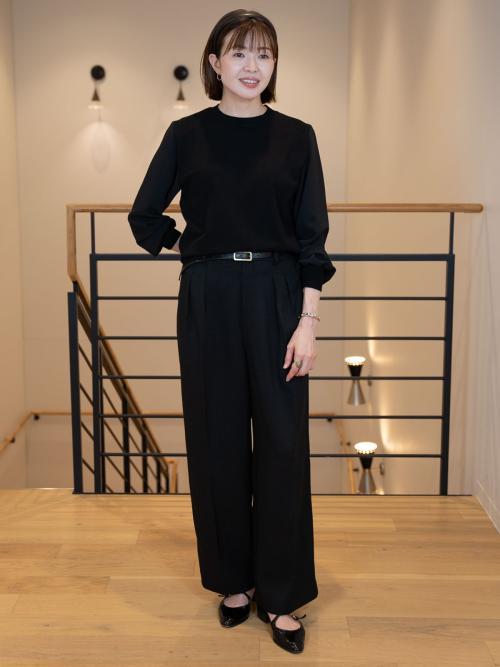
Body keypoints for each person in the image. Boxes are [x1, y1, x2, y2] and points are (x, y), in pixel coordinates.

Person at [128, 9, 336, 655]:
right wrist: (190, 244)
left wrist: (307, 322)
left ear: (274, 66)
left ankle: (282, 594)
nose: (252, 65)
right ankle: (233, 583)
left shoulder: (297, 137)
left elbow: (312, 238)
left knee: (282, 445)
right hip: (209, 296)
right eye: (238, 53)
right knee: (216, 440)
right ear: (214, 63)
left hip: (278, 294)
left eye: (264, 54)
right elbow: (143, 215)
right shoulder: (186, 135)